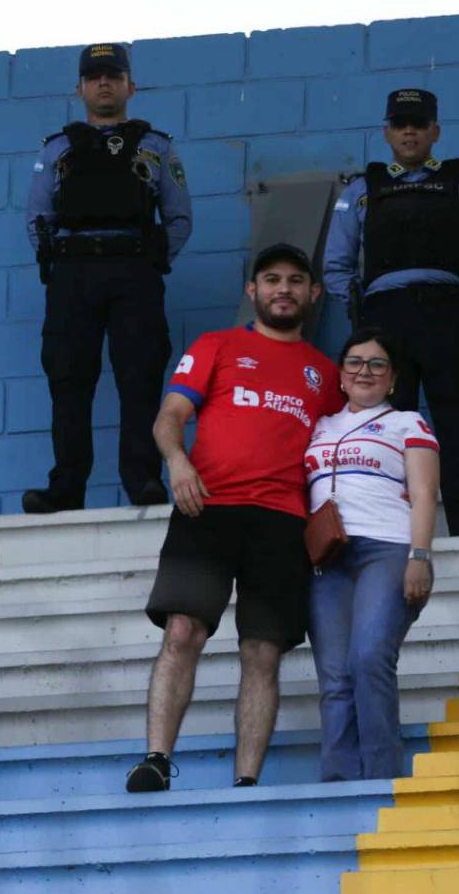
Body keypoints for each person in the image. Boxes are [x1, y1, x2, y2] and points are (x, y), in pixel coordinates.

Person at [126, 244, 344, 792]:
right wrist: (177, 462)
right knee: (181, 632)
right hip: (208, 507)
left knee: (262, 651)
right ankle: (155, 759)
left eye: (296, 280)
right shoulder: (216, 345)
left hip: (282, 522)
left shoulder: (326, 373)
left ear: (313, 293)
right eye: (271, 279)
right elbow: (170, 416)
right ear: (253, 291)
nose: (284, 289)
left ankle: (246, 780)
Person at [323, 88, 459, 537]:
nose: (409, 131)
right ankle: (390, 533)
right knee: (387, 426)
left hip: (447, 315)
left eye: (418, 123)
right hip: (385, 319)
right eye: (400, 124)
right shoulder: (362, 189)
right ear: (387, 132)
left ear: (435, 131)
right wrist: (363, 316)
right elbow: (336, 265)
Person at [23, 42, 193, 514]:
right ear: (79, 88)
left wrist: (149, 263)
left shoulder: (156, 147)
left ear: (130, 86)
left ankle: (142, 479)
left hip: (133, 270)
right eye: (95, 76)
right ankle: (66, 487)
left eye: (113, 75)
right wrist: (60, 266)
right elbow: (38, 218)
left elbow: (178, 219)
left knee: (139, 376)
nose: (104, 83)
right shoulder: (58, 149)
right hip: (74, 273)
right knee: (69, 379)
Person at [305, 327, 440, 780]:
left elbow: (424, 494)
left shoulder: (409, 423)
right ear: (340, 376)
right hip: (327, 558)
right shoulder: (318, 427)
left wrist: (419, 556)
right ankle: (339, 782)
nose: (365, 371)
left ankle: (381, 776)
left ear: (393, 379)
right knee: (334, 675)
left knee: (368, 658)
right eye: (355, 363)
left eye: (377, 364)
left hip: (386, 549)